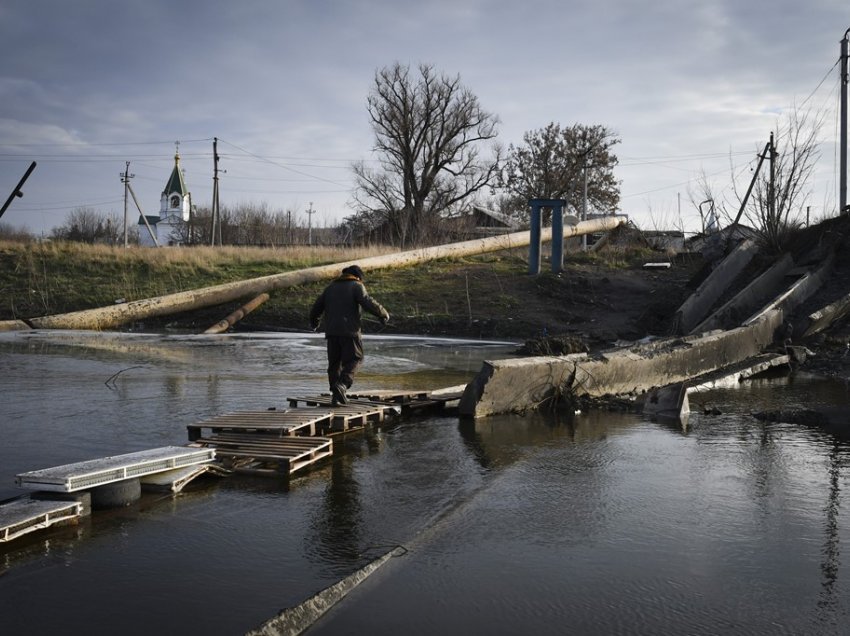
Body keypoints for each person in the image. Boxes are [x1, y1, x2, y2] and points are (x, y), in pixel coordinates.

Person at [309, 265, 390, 405]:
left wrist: (314, 322)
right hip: (350, 332)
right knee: (355, 359)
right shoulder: (356, 286)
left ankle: (336, 397)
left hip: (332, 333)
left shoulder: (330, 288)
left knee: (335, 364)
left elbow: (316, 307)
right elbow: (367, 301)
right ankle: (343, 385)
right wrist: (382, 314)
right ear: (357, 277)